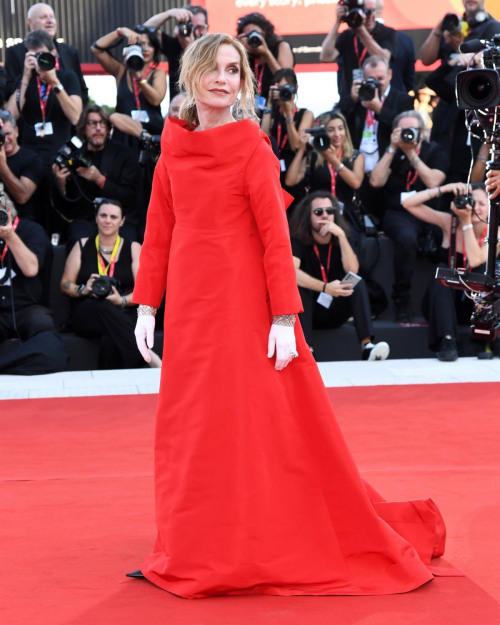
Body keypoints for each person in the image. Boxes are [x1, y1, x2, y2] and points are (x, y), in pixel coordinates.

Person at [128, 32, 450, 598]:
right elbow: (158, 235)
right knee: (191, 426)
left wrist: (282, 317)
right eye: (214, 67)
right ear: (193, 74)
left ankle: (252, 538)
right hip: (191, 308)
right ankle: (193, 541)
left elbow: (277, 240)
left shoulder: (251, 146)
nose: (224, 77)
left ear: (244, 84)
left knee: (255, 423)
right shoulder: (172, 148)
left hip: (244, 304)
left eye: (235, 69)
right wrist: (147, 305)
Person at [401, 182, 499, 361]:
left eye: (482, 204)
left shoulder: (495, 232)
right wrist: (444, 189)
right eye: (471, 201)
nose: (475, 207)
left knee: (487, 271)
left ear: (491, 208)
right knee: (443, 270)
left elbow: (476, 259)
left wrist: (467, 223)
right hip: (443, 305)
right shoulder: (449, 222)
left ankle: (491, 338)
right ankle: (447, 341)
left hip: (475, 306)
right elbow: (408, 203)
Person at [60, 198, 160, 370]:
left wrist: (120, 300)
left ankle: (110, 385)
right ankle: (149, 356)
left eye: (113, 217)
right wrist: (83, 289)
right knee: (101, 306)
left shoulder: (133, 247)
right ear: (96, 218)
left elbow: (142, 289)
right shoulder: (82, 245)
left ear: (122, 221)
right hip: (87, 311)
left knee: (110, 337)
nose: (107, 220)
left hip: (123, 310)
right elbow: (65, 283)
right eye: (103, 215)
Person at [290, 191, 389, 360]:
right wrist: (325, 288)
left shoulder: (341, 236)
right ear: (308, 215)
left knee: (357, 283)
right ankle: (306, 349)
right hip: (309, 310)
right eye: (318, 212)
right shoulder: (297, 239)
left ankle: (367, 346)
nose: (325, 216)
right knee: (299, 288)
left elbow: (353, 271)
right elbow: (291, 273)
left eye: (330, 211)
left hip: (335, 310)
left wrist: (342, 236)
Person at [370, 111, 449, 322]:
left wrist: (412, 154)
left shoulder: (435, 151)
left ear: (422, 133)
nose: (408, 134)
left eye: (412, 130)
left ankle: (447, 298)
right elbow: (376, 181)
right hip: (399, 214)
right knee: (406, 238)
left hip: (430, 213)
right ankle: (401, 297)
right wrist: (392, 148)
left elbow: (434, 181)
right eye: (403, 130)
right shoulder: (392, 152)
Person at [5, 29, 82, 233]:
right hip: (29, 162)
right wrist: (24, 77)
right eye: (33, 56)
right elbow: (10, 117)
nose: (39, 61)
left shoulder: (68, 77)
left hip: (58, 159)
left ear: (53, 53)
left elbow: (75, 116)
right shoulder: (23, 80)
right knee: (32, 217)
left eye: (43, 55)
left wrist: (54, 82)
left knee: (58, 217)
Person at [420, 1, 500, 184]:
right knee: (443, 165)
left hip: (478, 104)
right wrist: (439, 28)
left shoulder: (493, 27)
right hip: (448, 104)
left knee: (467, 167)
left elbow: (489, 70)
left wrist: (459, 48)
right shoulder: (453, 25)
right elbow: (426, 60)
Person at [0, 192, 68, 375]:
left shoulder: (31, 230)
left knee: (51, 343)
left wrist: (9, 236)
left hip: (27, 308)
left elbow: (31, 268)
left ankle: (4, 365)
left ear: (8, 211)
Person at [51, 105, 138, 244]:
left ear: (109, 128)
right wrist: (61, 185)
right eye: (92, 123)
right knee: (78, 240)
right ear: (83, 128)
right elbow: (65, 207)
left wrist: (100, 180)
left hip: (117, 217)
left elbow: (129, 197)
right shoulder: (74, 155)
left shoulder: (124, 154)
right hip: (85, 219)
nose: (98, 128)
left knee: (130, 242)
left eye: (102, 123)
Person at [91, 26, 166, 151]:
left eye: (150, 45)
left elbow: (155, 100)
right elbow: (96, 49)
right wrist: (120, 32)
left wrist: (138, 77)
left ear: (155, 50)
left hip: (151, 135)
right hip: (123, 136)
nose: (146, 49)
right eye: (142, 44)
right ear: (134, 46)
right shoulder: (121, 70)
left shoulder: (158, 73)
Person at [338, 56, 414, 175]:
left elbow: (404, 128)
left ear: (390, 74)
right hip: (357, 170)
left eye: (380, 78)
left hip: (390, 170)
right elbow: (337, 120)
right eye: (371, 79)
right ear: (363, 77)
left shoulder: (403, 99)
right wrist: (352, 100)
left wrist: (379, 109)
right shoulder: (357, 97)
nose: (376, 83)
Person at [285, 111, 365, 225]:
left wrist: (332, 159)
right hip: (319, 216)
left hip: (347, 216)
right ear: (322, 132)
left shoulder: (355, 156)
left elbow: (356, 183)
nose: (337, 134)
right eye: (331, 130)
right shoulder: (313, 156)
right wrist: (302, 150)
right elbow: (290, 181)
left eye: (341, 128)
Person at [4, 2, 88, 106]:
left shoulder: (70, 52)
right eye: (43, 17)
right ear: (30, 22)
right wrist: (25, 77)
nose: (50, 21)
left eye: (52, 17)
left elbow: (81, 90)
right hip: (28, 117)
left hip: (66, 118)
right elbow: (8, 91)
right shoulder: (15, 52)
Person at [320, 0, 397, 98]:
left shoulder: (387, 33)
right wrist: (337, 22)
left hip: (377, 97)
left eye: (371, 11)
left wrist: (361, 30)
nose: (368, 16)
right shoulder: (347, 35)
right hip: (350, 97)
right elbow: (325, 57)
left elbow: (384, 59)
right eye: (364, 11)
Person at [260, 69, 314, 189]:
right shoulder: (271, 112)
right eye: (279, 88)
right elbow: (264, 137)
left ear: (296, 88)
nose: (283, 92)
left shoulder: (306, 114)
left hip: (293, 165)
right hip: (272, 165)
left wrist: (288, 114)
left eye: (286, 88)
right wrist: (269, 104)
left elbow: (296, 145)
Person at [144, 5, 209, 101]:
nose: (195, 32)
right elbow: (144, 30)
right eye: (190, 27)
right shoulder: (174, 44)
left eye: (200, 27)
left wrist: (190, 49)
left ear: (207, 28)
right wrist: (169, 13)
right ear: (180, 28)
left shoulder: (211, 49)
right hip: (176, 110)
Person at [236, 13, 294, 103]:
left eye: (254, 34)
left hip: (278, 105)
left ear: (265, 32)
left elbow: (287, 82)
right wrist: (237, 49)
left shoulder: (281, 47)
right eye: (247, 36)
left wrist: (266, 53)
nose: (252, 39)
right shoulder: (245, 55)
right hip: (252, 109)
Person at [0, 110, 42, 221]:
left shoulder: (32, 159)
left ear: (16, 131)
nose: (5, 139)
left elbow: (23, 196)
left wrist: (2, 167)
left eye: (8, 133)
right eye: (1, 135)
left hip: (21, 223)